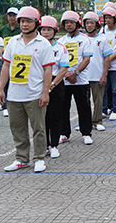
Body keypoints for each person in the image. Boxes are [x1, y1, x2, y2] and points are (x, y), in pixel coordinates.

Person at [0, 6, 54, 173]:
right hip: (15, 94)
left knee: (39, 128)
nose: (24, 24)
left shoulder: (43, 43)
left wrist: (45, 92)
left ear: (36, 23)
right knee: (17, 127)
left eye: (28, 21)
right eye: (22, 21)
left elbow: (48, 70)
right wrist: (1, 89)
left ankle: (39, 158)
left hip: (34, 93)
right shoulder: (13, 42)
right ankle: (21, 158)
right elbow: (6, 66)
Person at [58, 11, 94, 145]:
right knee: (63, 107)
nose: (68, 25)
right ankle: (64, 133)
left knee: (83, 107)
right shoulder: (61, 41)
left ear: (77, 24)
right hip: (64, 79)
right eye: (66, 23)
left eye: (71, 22)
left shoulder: (85, 39)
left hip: (81, 79)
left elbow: (86, 59)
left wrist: (76, 73)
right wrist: (66, 74)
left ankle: (86, 133)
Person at [39, 15, 69, 159]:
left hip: (55, 84)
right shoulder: (36, 47)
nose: (46, 32)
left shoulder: (60, 48)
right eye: (43, 29)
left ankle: (54, 145)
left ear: (55, 31)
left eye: (49, 30)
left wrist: (52, 84)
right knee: (41, 117)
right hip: (38, 84)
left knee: (55, 116)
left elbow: (63, 69)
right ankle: (43, 145)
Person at [82, 12, 111, 131]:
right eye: (87, 23)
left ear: (96, 24)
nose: (89, 25)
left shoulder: (103, 39)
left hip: (97, 74)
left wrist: (104, 74)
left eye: (91, 23)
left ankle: (97, 120)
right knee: (84, 102)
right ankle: (85, 123)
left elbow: (107, 58)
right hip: (83, 76)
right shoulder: (82, 39)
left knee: (98, 100)